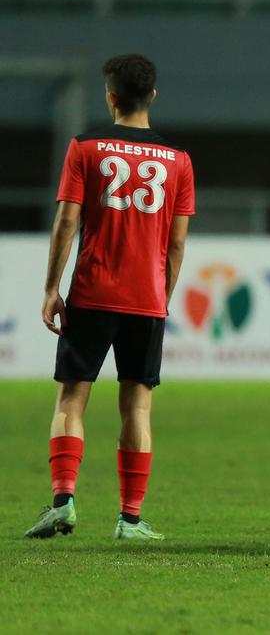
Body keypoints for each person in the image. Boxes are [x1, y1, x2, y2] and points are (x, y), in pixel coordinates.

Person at [25, 53, 195, 541]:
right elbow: (177, 242)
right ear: (153, 96)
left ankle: (63, 502)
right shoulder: (179, 161)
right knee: (136, 407)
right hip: (147, 298)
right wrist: (162, 294)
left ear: (111, 96)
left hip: (94, 293)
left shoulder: (85, 148)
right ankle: (130, 519)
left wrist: (51, 287)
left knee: (72, 397)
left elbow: (67, 220)